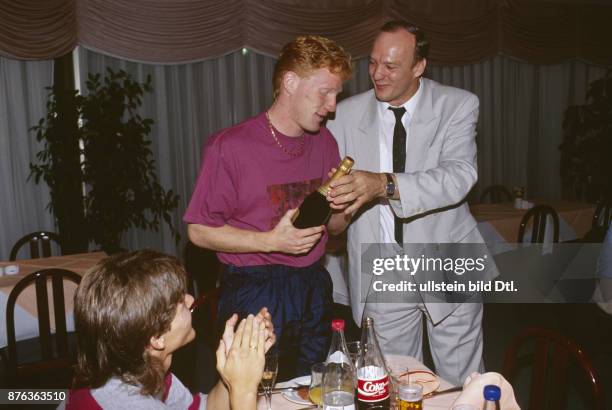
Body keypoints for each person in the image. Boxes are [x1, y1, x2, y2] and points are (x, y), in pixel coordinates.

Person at [326, 20, 491, 386]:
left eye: (391, 66)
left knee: (463, 380)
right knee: (399, 381)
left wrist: (381, 184)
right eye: (372, 63)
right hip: (382, 266)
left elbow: (458, 177)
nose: (377, 74)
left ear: (419, 66)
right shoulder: (345, 116)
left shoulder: (458, 105)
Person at [184, 35, 352, 378]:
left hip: (314, 284)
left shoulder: (326, 142)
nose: (333, 105)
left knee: (314, 388)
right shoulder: (230, 146)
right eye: (325, 92)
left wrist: (342, 207)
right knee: (255, 392)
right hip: (254, 288)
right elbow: (198, 231)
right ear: (290, 82)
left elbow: (335, 230)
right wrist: (270, 241)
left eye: (337, 94)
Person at [58, 250, 275, 410]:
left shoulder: (138, 370)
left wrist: (235, 367)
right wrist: (244, 390)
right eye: (179, 301)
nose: (191, 299)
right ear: (157, 338)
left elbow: (204, 408)